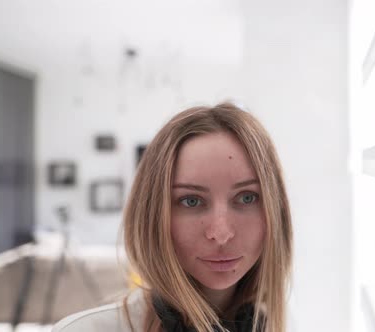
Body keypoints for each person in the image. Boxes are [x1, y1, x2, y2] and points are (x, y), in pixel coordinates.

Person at [52, 102, 293, 332]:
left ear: (275, 210)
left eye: (247, 198)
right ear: (152, 215)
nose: (221, 234)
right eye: (191, 201)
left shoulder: (282, 325)